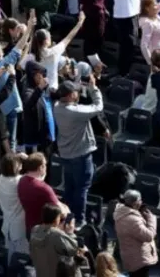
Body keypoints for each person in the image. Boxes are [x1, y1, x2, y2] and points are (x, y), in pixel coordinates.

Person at [54, 75, 103, 227]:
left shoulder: (57, 106)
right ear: (69, 96)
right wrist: (93, 89)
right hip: (80, 156)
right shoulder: (75, 112)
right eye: (75, 92)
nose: (77, 93)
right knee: (82, 188)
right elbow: (97, 107)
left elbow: (78, 104)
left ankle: (68, 217)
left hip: (66, 154)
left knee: (69, 188)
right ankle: (80, 220)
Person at [114, 189, 159, 277]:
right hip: (139, 260)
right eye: (140, 200)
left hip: (130, 256)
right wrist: (151, 219)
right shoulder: (133, 220)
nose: (141, 202)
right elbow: (149, 236)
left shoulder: (121, 212)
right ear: (135, 203)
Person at [30, 202, 82, 277]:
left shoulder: (35, 230)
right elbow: (74, 249)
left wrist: (57, 229)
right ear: (56, 219)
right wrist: (70, 233)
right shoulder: (57, 235)